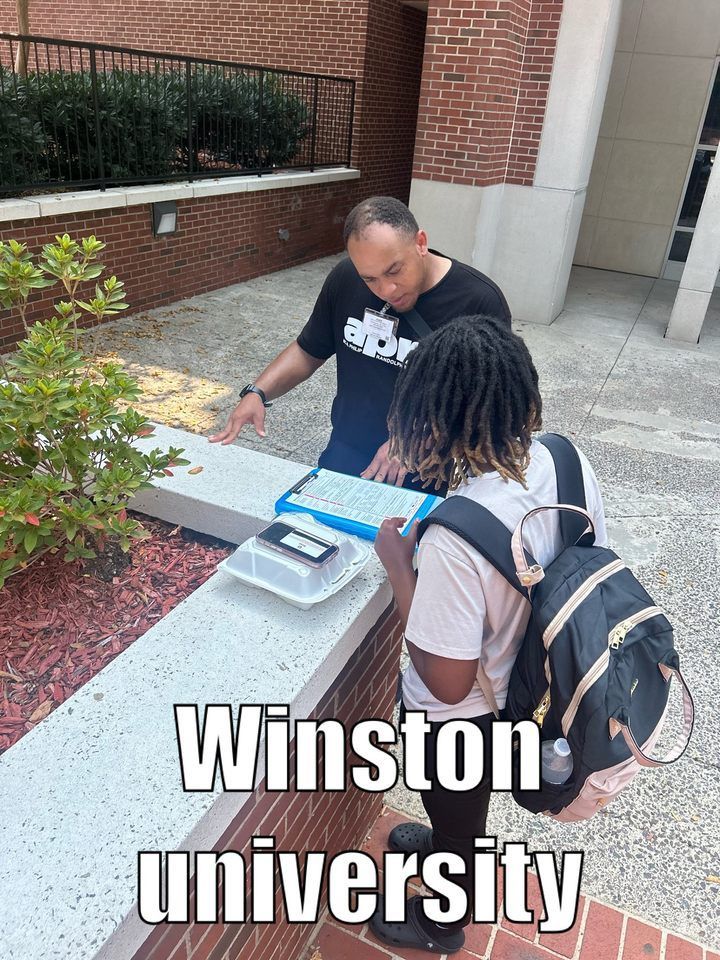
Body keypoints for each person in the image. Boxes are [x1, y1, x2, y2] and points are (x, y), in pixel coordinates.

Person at [371, 315, 607, 954]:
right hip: (535, 678)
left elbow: (445, 684)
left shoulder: (455, 535)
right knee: (457, 806)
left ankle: (441, 922)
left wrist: (400, 568)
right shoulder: (563, 454)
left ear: (437, 417)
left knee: (455, 802)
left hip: (466, 714)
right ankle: (445, 840)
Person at [209, 197, 510, 489]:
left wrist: (416, 440)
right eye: (370, 279)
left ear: (420, 243)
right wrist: (257, 393)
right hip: (346, 446)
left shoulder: (478, 300)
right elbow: (309, 348)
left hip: (421, 464)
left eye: (394, 271)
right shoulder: (345, 279)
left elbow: (487, 402)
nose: (386, 290)